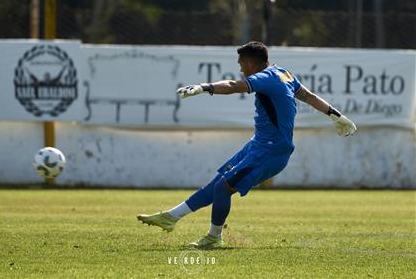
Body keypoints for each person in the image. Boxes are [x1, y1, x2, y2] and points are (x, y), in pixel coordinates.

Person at [137, 41, 357, 249]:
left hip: (271, 151)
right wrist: (335, 115)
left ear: (251, 63)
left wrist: (204, 87)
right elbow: (308, 96)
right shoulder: (284, 73)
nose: (241, 69)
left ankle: (214, 238)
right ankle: (171, 217)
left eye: (241, 64)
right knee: (217, 185)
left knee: (224, 188)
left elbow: (234, 85)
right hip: (259, 144)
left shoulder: (266, 78)